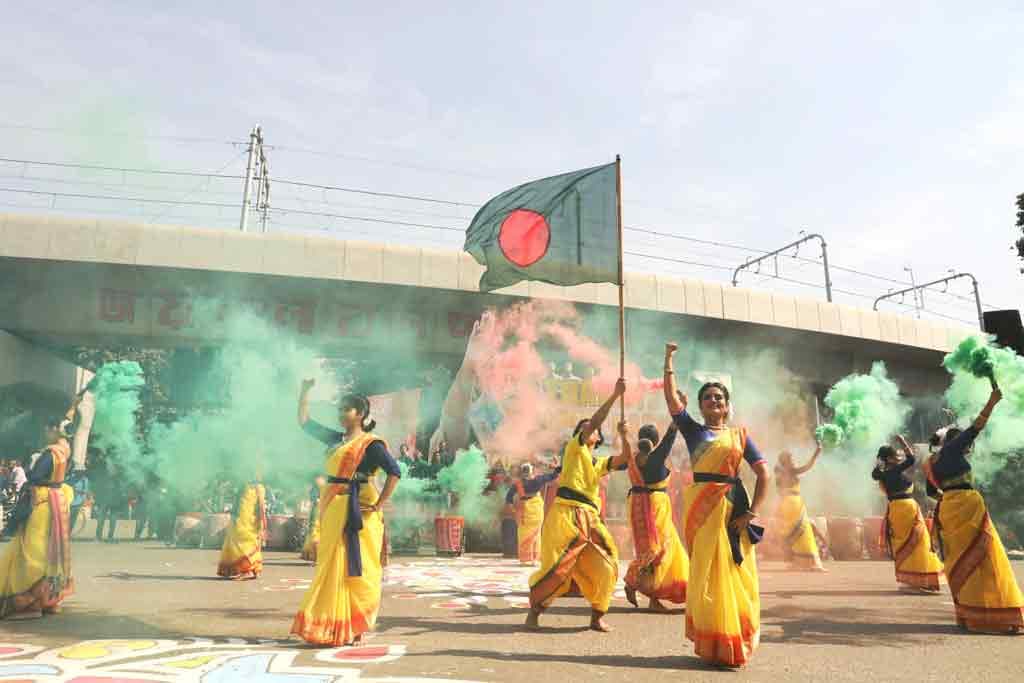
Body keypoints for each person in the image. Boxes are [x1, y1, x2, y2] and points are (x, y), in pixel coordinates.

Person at [663, 342, 771, 668]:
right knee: (707, 574)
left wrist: (752, 512)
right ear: (700, 406)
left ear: (726, 407)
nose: (714, 401)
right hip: (701, 511)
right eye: (708, 397)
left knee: (733, 572)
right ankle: (714, 640)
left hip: (732, 509)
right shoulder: (694, 432)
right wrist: (668, 359)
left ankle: (734, 639)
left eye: (719, 398)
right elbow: (671, 401)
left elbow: (763, 473)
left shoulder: (740, 436)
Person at [292, 379, 401, 646]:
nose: (342, 415)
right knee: (331, 565)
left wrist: (378, 504)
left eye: (347, 410)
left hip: (360, 510)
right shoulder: (335, 439)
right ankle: (330, 624)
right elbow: (305, 422)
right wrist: (304, 392)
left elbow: (394, 472)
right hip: (333, 505)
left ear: (361, 414)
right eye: (340, 410)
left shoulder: (371, 444)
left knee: (359, 566)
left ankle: (354, 624)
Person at [525, 378, 628, 633]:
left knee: (608, 562)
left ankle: (597, 616)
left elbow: (626, 458)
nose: (590, 428)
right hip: (565, 515)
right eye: (585, 427)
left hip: (590, 518)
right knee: (557, 568)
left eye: (592, 427)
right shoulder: (574, 448)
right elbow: (594, 421)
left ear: (599, 437)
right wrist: (614, 396)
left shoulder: (599, 462)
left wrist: (625, 436)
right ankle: (535, 612)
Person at [927, 386, 1023, 633]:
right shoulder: (953, 449)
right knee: (987, 556)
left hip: (948, 506)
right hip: (968, 506)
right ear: (955, 441)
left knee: (962, 560)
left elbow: (931, 492)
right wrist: (992, 401)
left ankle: (971, 613)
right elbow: (976, 427)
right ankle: (1001, 613)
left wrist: (950, 497)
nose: (968, 446)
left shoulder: (933, 462)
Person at [0, 402, 78, 619]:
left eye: (47, 428)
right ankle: (48, 600)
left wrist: (31, 468)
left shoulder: (50, 454)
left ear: (55, 429)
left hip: (42, 503)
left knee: (30, 551)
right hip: (57, 503)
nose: (45, 432)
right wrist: (71, 410)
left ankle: (28, 603)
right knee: (52, 551)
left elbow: (35, 478)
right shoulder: (65, 450)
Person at [621, 421, 690, 611]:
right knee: (659, 550)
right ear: (656, 440)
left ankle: (650, 593)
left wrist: (624, 436)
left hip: (637, 502)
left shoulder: (633, 458)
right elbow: (669, 440)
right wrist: (676, 420)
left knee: (653, 548)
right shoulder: (656, 457)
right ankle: (634, 582)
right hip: (654, 506)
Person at [871, 436, 942, 592]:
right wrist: (903, 441)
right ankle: (915, 580)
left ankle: (913, 580)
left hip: (898, 509)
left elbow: (876, 473)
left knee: (908, 544)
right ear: (889, 459)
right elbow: (911, 459)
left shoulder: (883, 473)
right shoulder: (893, 470)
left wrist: (880, 463)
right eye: (895, 455)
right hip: (905, 509)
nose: (898, 456)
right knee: (918, 542)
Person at [774, 446, 826, 572]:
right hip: (793, 504)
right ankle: (811, 563)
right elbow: (807, 467)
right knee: (804, 533)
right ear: (786, 460)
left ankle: (798, 562)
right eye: (791, 458)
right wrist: (816, 453)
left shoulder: (781, 471)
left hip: (787, 503)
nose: (793, 459)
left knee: (797, 533)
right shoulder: (788, 470)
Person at [505, 462, 561, 564]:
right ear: (531, 471)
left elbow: (508, 498)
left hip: (523, 511)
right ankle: (535, 558)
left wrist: (513, 510)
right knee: (536, 534)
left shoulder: (517, 484)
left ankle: (526, 559)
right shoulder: (538, 480)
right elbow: (554, 475)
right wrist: (556, 467)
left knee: (524, 534)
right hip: (536, 508)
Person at [217, 473, 268, 580]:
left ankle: (247, 570)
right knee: (236, 543)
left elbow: (262, 507)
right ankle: (253, 569)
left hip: (247, 522)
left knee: (243, 544)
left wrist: (263, 525)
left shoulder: (258, 488)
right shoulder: (244, 486)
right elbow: (238, 504)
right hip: (240, 520)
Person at [302, 475, 327, 563]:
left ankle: (317, 558)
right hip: (317, 511)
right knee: (315, 535)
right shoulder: (315, 488)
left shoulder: (322, 487)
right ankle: (316, 558)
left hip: (320, 511)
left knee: (316, 535)